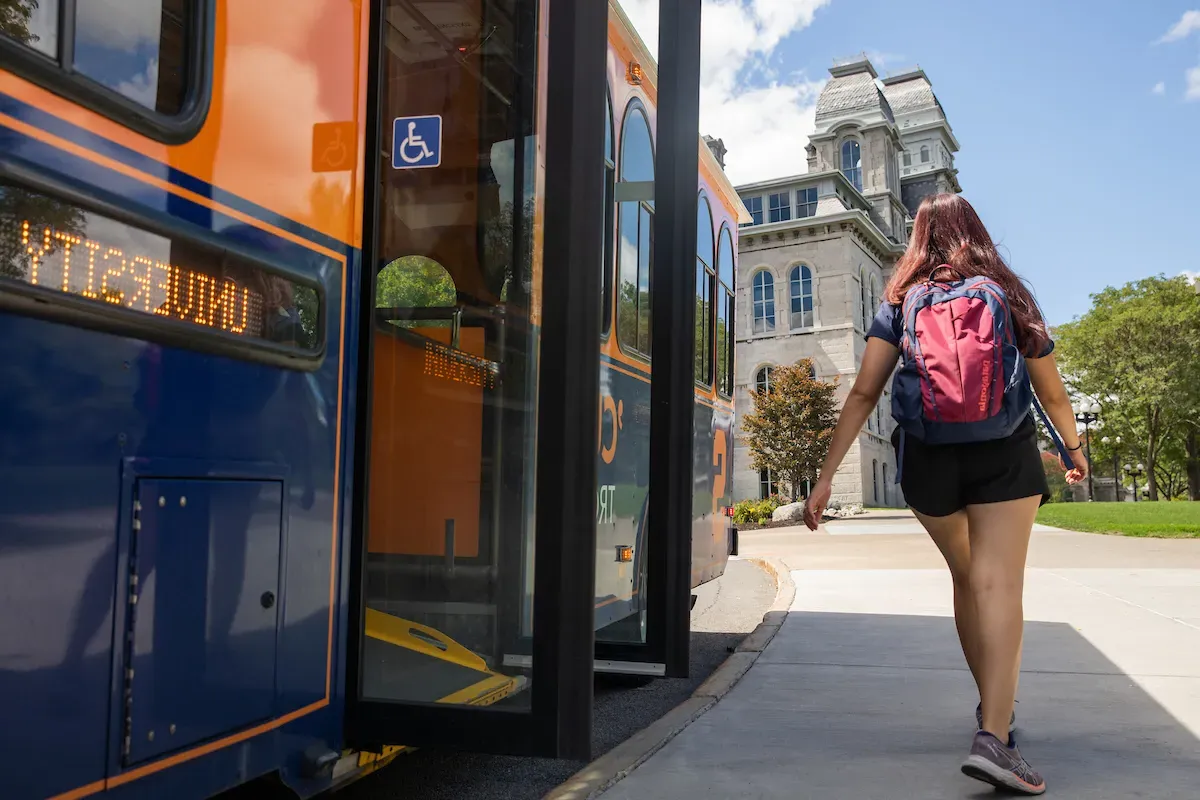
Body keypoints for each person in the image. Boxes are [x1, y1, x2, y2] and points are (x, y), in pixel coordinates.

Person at [802, 193, 1087, 795]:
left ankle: (994, 712)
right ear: (975, 232)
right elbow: (1053, 393)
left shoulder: (899, 301)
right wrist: (1073, 450)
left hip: (927, 461)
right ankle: (994, 734)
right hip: (1003, 453)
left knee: (967, 580)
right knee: (999, 584)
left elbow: (861, 394)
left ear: (919, 238)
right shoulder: (1008, 294)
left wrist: (825, 476)